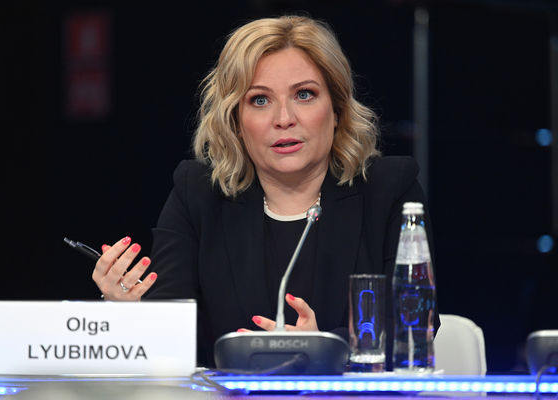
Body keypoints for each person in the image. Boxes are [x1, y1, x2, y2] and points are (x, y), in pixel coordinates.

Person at [92, 15, 434, 368]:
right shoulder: (197, 194)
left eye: (304, 95)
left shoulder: (389, 189)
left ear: (337, 110)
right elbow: (172, 334)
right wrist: (130, 312)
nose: (283, 118)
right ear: (236, 122)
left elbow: (415, 323)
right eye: (259, 100)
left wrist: (328, 348)